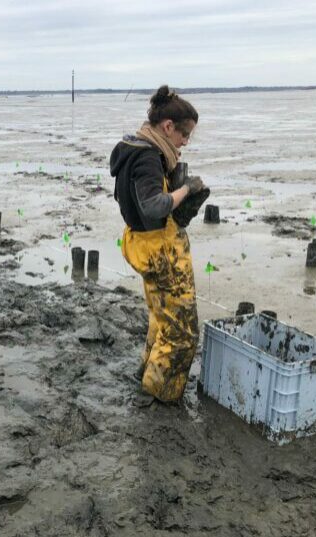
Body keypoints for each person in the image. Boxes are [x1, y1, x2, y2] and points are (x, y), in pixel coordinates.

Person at [109, 85, 206, 403]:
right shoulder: (149, 157)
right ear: (167, 126)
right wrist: (187, 191)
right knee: (181, 332)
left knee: (161, 317)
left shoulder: (133, 146)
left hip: (141, 243)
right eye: (184, 134)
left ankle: (146, 375)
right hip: (160, 251)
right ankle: (160, 392)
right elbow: (153, 206)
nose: (186, 142)